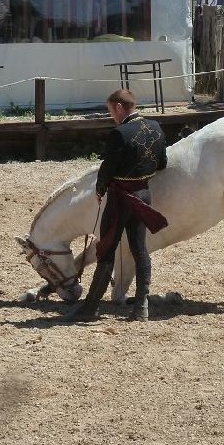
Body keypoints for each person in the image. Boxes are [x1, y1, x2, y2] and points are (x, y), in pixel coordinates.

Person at [63, 89, 168, 323]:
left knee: (107, 248)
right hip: (143, 197)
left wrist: (100, 190)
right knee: (140, 250)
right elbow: (162, 163)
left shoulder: (120, 133)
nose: (111, 115)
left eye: (111, 110)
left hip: (120, 198)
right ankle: (141, 307)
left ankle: (90, 307)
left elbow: (107, 169)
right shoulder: (155, 128)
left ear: (119, 107)